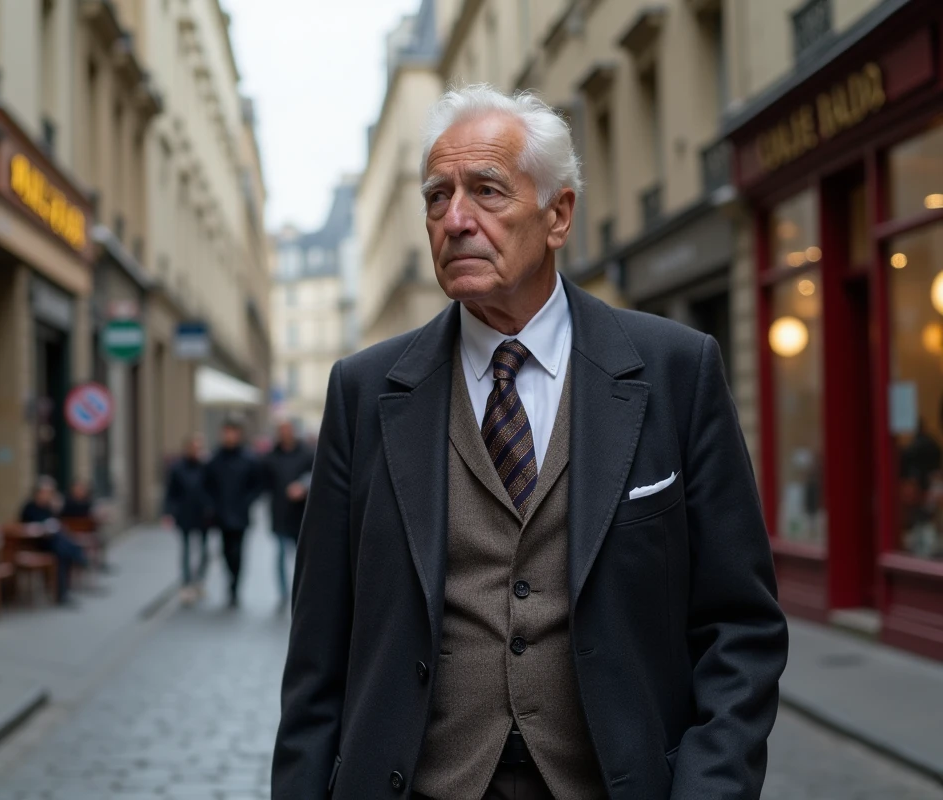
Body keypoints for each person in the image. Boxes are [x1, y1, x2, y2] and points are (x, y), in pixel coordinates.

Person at [273, 86, 788, 799]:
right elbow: (317, 654)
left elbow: (740, 625)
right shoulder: (364, 393)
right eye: (436, 197)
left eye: (486, 191)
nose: (455, 220)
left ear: (558, 215)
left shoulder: (675, 371)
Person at [203, 419, 262, 608]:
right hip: (221, 514)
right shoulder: (215, 458)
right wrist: (212, 505)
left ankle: (235, 587)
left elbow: (257, 485)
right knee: (226, 551)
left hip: (240, 513)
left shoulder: (248, 458)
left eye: (232, 432)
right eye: (226, 432)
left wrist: (247, 502)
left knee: (238, 552)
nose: (229, 436)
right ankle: (231, 580)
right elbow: (206, 484)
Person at [263, 420, 314, 605]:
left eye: (288, 430)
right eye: (281, 430)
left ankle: (301, 589)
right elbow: (264, 484)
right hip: (280, 514)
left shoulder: (307, 454)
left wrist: (303, 486)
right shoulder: (271, 457)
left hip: (302, 515)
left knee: (302, 557)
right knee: (281, 555)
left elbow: (316, 474)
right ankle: (284, 593)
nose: (285, 433)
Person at [20, 476, 89, 606]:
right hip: (36, 544)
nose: (47, 495)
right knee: (62, 548)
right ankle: (79, 557)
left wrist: (56, 509)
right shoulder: (29, 507)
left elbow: (56, 522)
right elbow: (25, 527)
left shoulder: (48, 507)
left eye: (50, 493)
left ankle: (63, 593)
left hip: (51, 542)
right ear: (38, 492)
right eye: (45, 492)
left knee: (61, 551)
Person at [164, 434, 212, 602]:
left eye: (198, 448)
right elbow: (171, 493)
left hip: (204, 516)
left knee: (205, 551)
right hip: (184, 514)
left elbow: (214, 489)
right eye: (193, 447)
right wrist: (169, 512)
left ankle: (199, 581)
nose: (195, 451)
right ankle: (186, 583)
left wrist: (211, 508)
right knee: (185, 550)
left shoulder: (206, 467)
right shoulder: (177, 468)